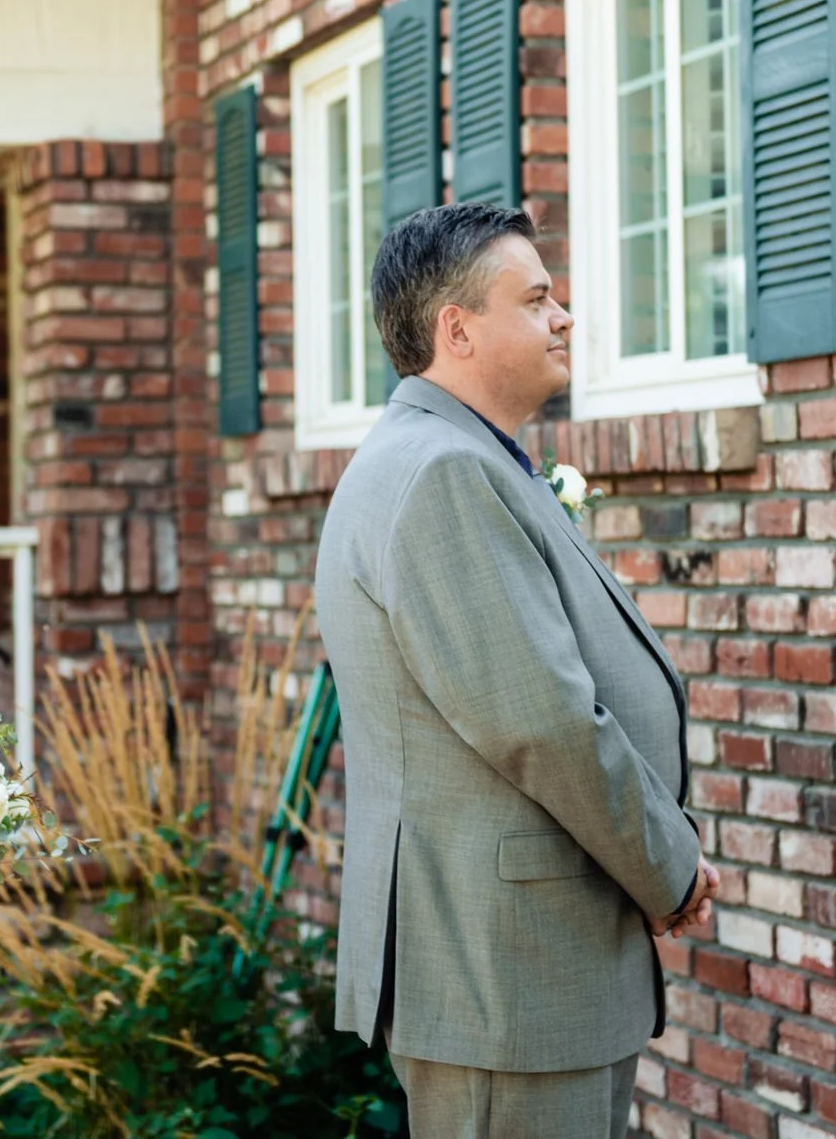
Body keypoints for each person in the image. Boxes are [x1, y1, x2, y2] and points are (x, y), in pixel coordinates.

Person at [314, 203, 719, 1139]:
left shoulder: (451, 458)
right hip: (504, 978)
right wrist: (672, 865)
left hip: (514, 972)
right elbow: (540, 720)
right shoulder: (441, 473)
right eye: (536, 299)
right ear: (457, 330)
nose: (564, 316)